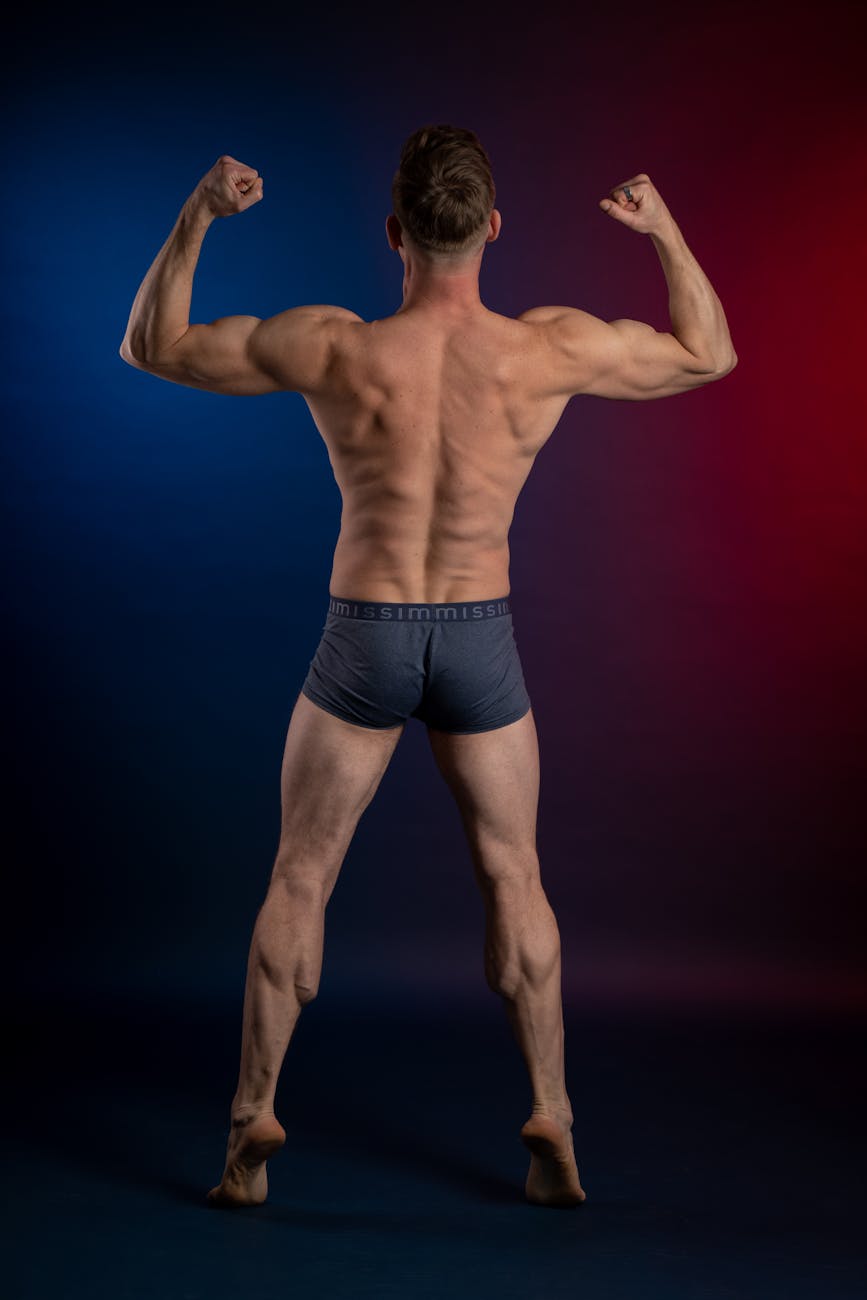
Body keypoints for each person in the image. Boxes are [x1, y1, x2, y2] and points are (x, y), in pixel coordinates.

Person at [120, 123, 737, 1210]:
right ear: (492, 229)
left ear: (396, 231)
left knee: (299, 878)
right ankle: (552, 1109)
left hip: (365, 632)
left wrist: (199, 213)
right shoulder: (545, 350)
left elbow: (153, 345)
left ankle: (250, 1118)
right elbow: (707, 353)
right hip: (479, 636)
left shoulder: (335, 348)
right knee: (516, 875)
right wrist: (663, 228)